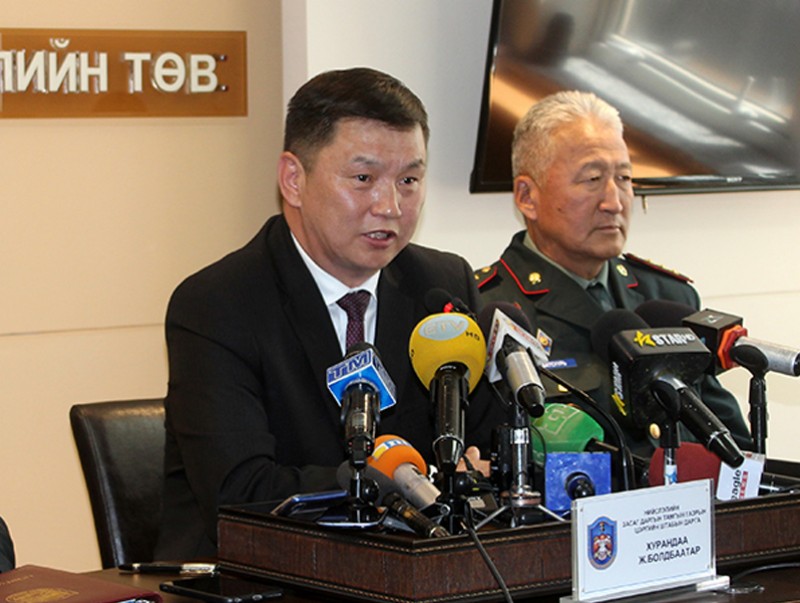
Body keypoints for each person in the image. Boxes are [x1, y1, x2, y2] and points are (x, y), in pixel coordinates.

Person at [155, 67, 507, 560]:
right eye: (363, 179)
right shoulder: (218, 303)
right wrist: (403, 481)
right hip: (259, 575)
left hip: (419, 570)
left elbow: (488, 449)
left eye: (409, 180)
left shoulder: (442, 286)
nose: (390, 206)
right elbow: (242, 492)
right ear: (293, 180)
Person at [475, 90, 752, 457]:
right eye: (592, 179)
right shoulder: (488, 311)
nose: (614, 202)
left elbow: (737, 450)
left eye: (624, 177)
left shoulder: (668, 300)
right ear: (527, 197)